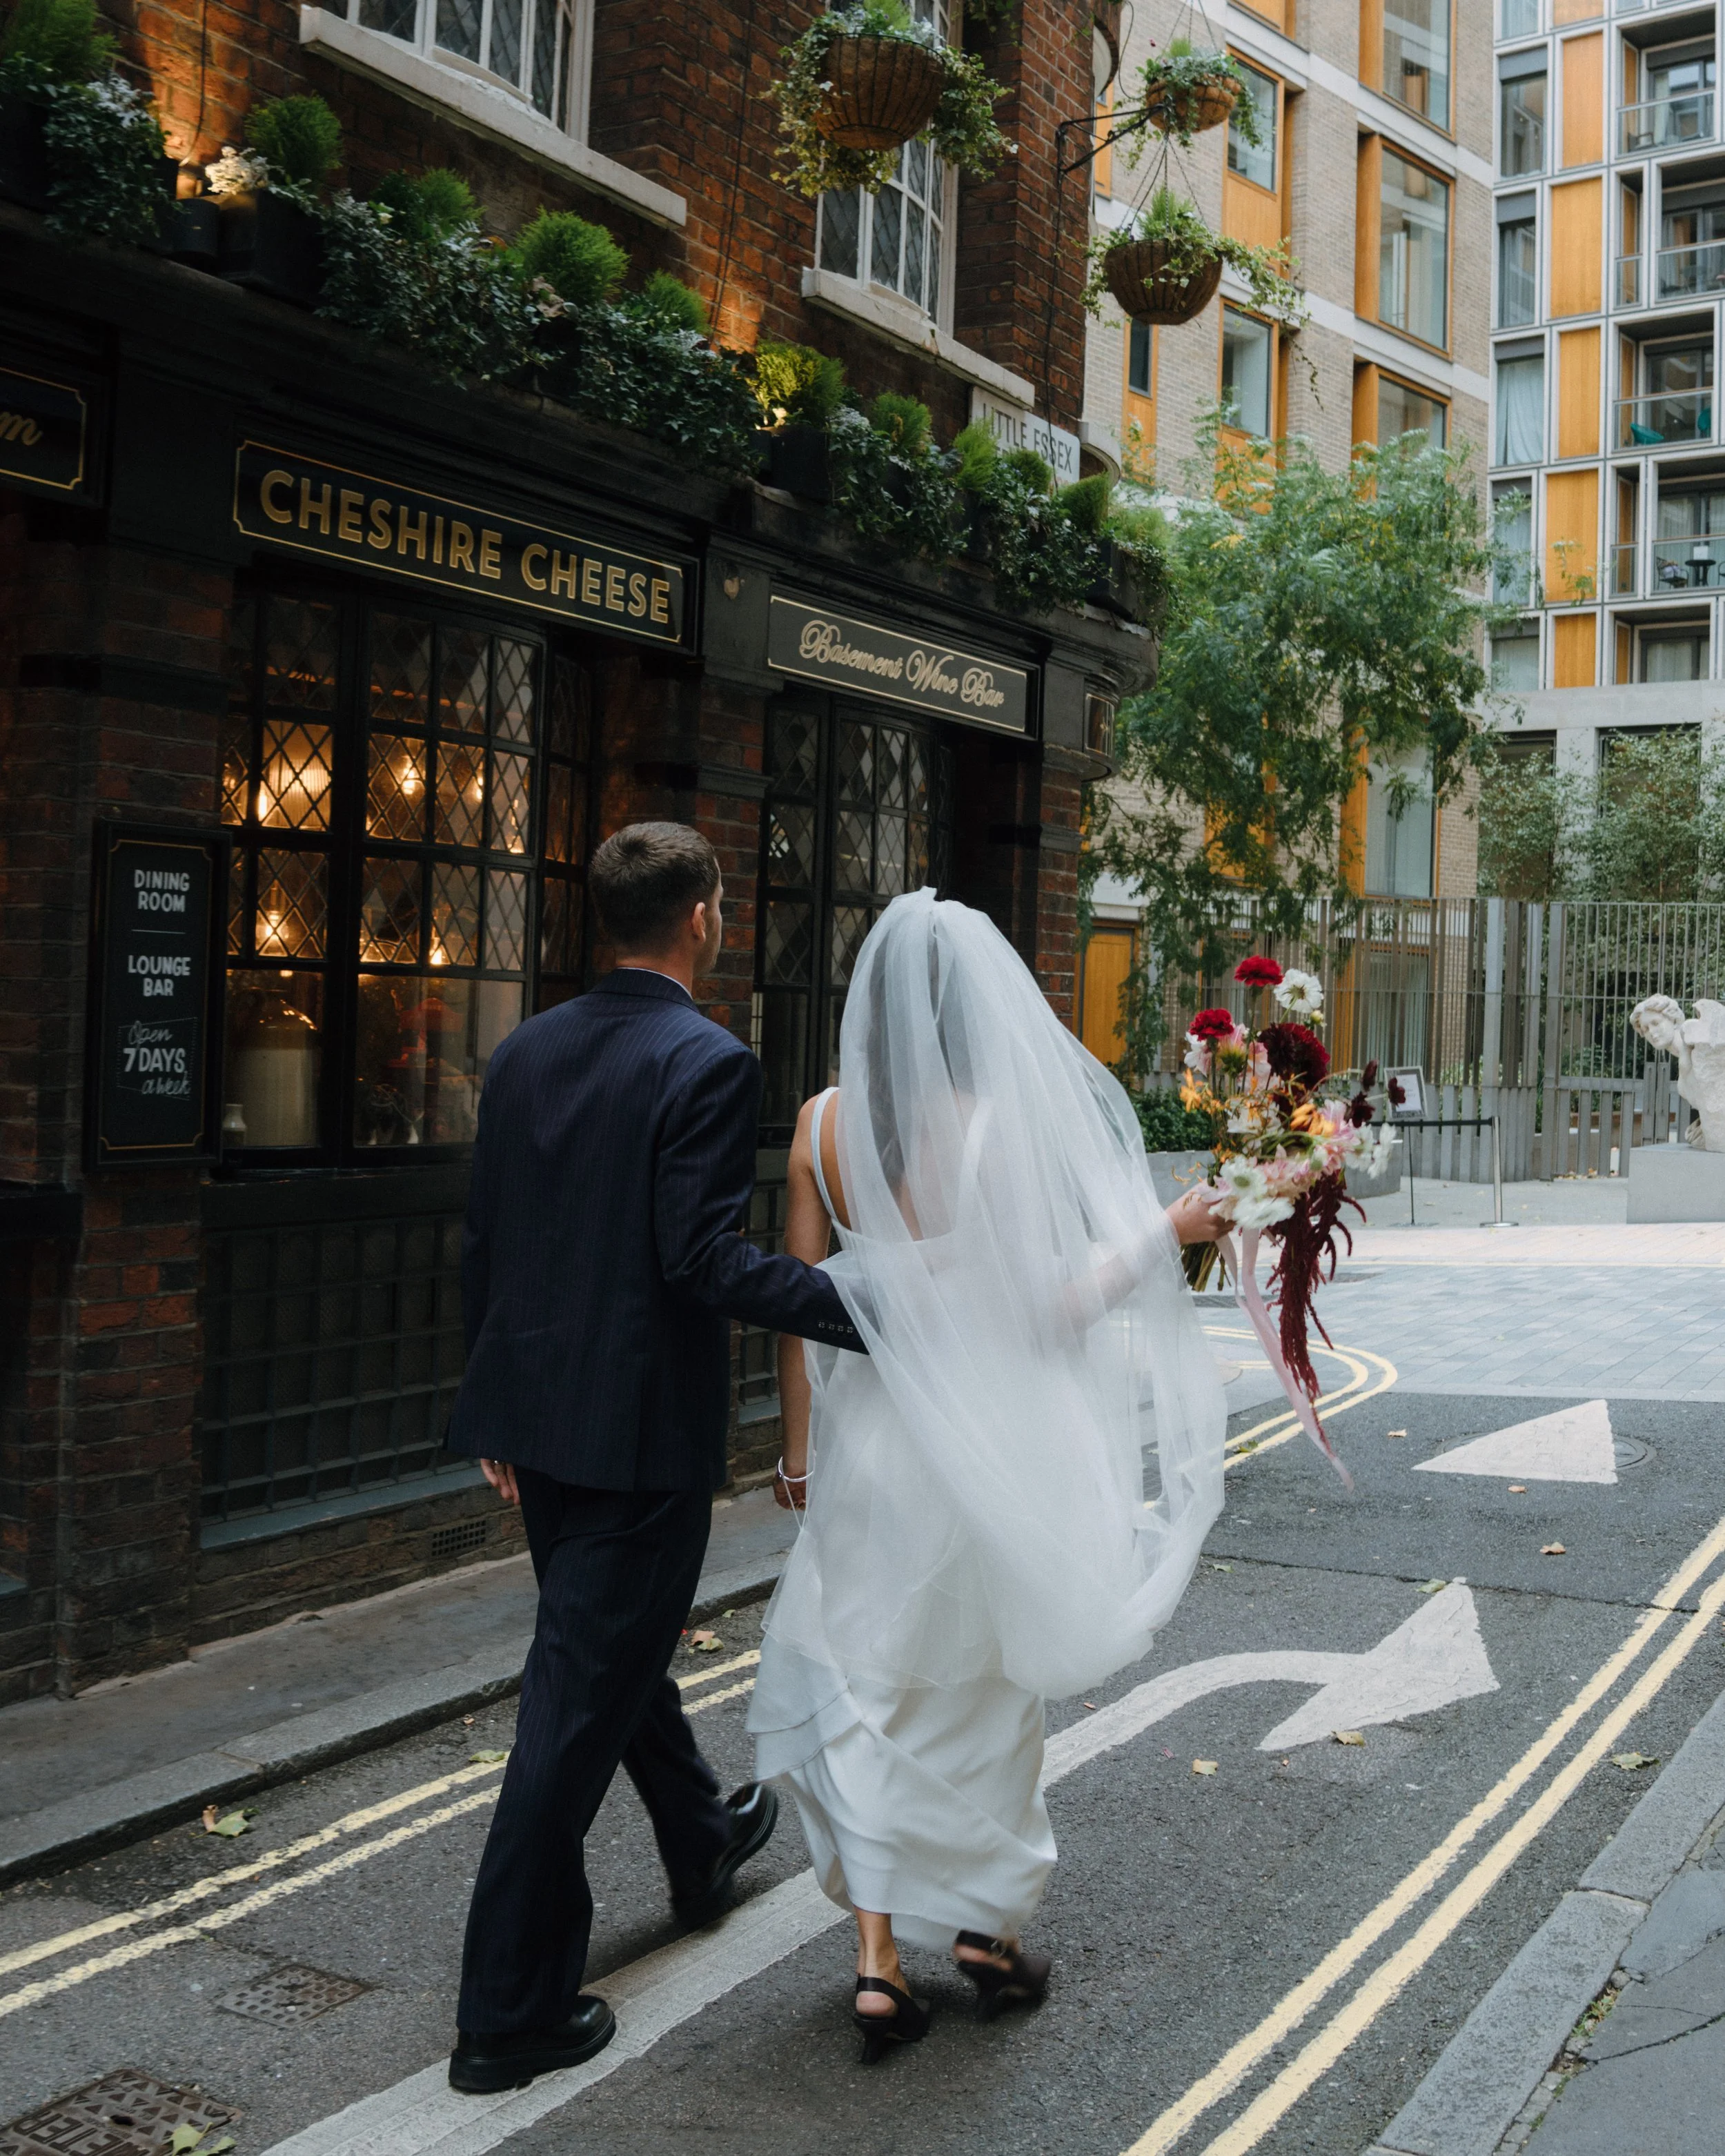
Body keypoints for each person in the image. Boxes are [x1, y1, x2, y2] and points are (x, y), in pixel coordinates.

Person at [749, 889, 1228, 2061]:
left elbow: (801, 1312)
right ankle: (982, 1932)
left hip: (868, 1447)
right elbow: (1040, 1313)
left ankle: (875, 1963)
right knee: (983, 1690)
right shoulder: (997, 1129)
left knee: (867, 1684)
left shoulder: (819, 1126)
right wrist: (1167, 1234)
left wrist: (797, 1452)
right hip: (978, 1451)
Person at [444, 821, 866, 2095]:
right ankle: (504, 2011)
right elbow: (701, 1261)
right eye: (723, 906)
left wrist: (496, 1415)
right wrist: (871, 1305)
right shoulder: (706, 1059)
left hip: (547, 1429)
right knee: (571, 1707)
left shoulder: (523, 1050)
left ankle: (699, 1837)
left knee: (605, 1651)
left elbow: (490, 1239)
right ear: (701, 917)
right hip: (637, 1443)